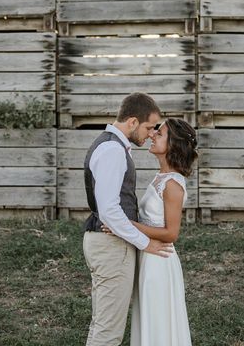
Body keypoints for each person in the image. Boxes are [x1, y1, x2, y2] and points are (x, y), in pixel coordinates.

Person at [82, 92, 173, 346]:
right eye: (148, 127)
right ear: (132, 122)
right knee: (108, 332)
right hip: (112, 248)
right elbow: (110, 210)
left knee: (102, 324)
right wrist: (146, 243)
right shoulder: (112, 149)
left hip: (105, 243)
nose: (150, 134)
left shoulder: (111, 144)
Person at [104, 118, 197, 346]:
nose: (153, 135)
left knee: (158, 321)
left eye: (160, 133)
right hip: (148, 256)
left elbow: (171, 233)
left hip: (160, 261)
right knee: (148, 317)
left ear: (173, 145)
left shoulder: (173, 185)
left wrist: (126, 226)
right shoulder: (160, 177)